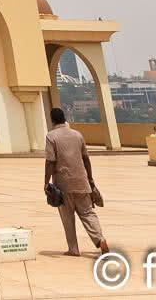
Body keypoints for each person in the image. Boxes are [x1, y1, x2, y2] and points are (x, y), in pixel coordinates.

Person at [43, 107, 109, 256]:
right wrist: (90, 179)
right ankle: (100, 239)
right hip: (82, 182)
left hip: (63, 183)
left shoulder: (51, 136)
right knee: (88, 213)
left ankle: (73, 249)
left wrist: (46, 182)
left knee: (67, 217)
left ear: (52, 120)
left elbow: (50, 161)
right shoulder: (77, 135)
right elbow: (86, 158)